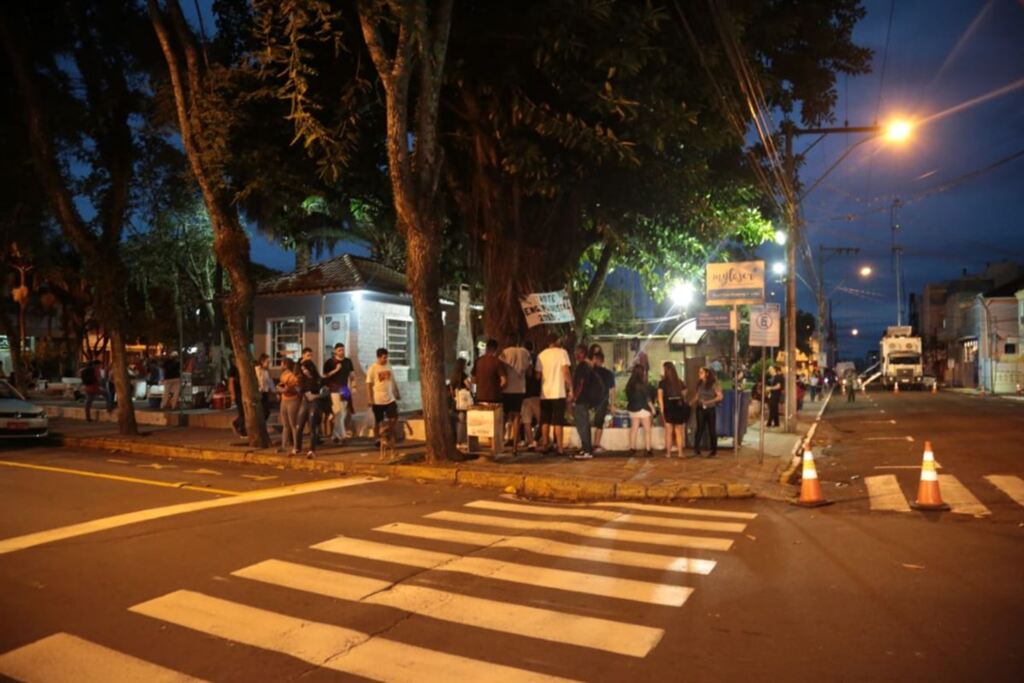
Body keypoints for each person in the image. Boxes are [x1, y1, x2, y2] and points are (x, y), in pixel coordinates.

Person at [536, 334, 573, 456]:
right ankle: (560, 448)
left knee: (545, 420)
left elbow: (538, 375)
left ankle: (545, 444)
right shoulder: (562, 353)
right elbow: (566, 371)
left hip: (545, 393)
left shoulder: (541, 355)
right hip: (558, 392)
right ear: (557, 341)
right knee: (558, 421)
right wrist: (570, 387)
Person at [570, 345, 604, 460]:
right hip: (585, 400)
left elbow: (580, 383)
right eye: (576, 352)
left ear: (583, 353)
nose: (576, 355)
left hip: (581, 400)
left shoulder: (582, 366)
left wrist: (574, 398)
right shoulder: (587, 366)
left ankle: (587, 451)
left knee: (582, 425)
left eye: (578, 352)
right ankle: (585, 449)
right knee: (584, 425)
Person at [500, 337, 532, 451]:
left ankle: (501, 442)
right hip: (520, 389)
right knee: (517, 416)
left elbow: (501, 368)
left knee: (503, 417)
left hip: (507, 389)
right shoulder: (525, 352)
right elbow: (529, 372)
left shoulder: (505, 352)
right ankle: (515, 445)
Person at [367, 347, 401, 447]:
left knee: (394, 417)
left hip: (390, 398)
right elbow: (368, 384)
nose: (385, 359)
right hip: (378, 399)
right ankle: (377, 438)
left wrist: (397, 391)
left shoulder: (388, 366)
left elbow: (393, 380)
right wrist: (370, 398)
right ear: (378, 357)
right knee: (378, 421)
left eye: (386, 357)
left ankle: (388, 433)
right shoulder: (373, 368)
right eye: (383, 357)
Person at [322, 343, 355, 445]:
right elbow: (325, 375)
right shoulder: (329, 362)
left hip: (345, 388)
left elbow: (352, 375)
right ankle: (343, 436)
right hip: (334, 389)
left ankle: (335, 435)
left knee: (343, 413)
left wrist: (354, 386)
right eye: (339, 350)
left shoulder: (348, 361)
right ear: (335, 351)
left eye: (343, 350)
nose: (341, 352)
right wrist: (335, 370)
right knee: (338, 412)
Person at [658, 361, 689, 458]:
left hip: (669, 406)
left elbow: (660, 397)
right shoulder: (679, 381)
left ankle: (668, 453)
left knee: (668, 431)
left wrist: (662, 410)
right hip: (679, 406)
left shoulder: (662, 383)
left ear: (666, 370)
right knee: (679, 431)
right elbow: (685, 392)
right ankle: (680, 453)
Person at [692, 367, 723, 457]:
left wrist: (708, 402)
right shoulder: (700, 383)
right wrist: (690, 403)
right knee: (700, 429)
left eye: (701, 372)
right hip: (700, 408)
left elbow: (720, 396)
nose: (699, 374)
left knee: (711, 429)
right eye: (699, 372)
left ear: (707, 374)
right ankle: (696, 449)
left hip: (710, 408)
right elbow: (697, 396)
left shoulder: (714, 384)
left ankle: (714, 450)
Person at [625, 364, 654, 456]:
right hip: (643, 409)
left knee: (634, 429)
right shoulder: (642, 384)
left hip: (632, 409)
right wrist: (653, 409)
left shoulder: (629, 385)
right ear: (642, 373)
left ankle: (632, 448)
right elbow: (647, 398)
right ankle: (648, 449)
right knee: (647, 430)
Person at [591, 350, 615, 454]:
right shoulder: (608, 373)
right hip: (602, 401)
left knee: (587, 424)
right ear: (603, 361)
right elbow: (612, 390)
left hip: (588, 401)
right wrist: (613, 404)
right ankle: (596, 445)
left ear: (594, 360)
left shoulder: (589, 372)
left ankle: (587, 445)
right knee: (599, 424)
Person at [520, 340, 542, 449]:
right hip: (537, 393)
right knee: (541, 420)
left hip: (525, 393)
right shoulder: (538, 357)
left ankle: (531, 441)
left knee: (526, 421)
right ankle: (538, 439)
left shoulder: (523, 358)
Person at [472, 339, 507, 404]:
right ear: (496, 349)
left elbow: (473, 380)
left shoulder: (478, 361)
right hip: (494, 397)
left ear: (486, 348)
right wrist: (499, 389)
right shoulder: (497, 362)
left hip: (480, 396)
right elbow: (504, 381)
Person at [277, 359, 301, 454]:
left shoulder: (293, 376)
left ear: (286, 364)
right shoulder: (283, 374)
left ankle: (296, 446)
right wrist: (279, 388)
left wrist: (287, 389)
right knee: (285, 425)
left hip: (292, 400)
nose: (281, 365)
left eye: (282, 363)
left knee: (293, 424)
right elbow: (282, 385)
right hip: (284, 400)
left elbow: (295, 388)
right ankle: (284, 446)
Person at [449, 358, 472, 445]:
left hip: (455, 401)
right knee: (462, 421)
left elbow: (451, 389)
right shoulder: (463, 375)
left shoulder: (453, 375)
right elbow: (468, 386)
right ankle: (461, 441)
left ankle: (455, 440)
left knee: (455, 421)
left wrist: (454, 397)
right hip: (463, 402)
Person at [227, 357, 247, 438]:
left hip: (242, 393)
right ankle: (241, 429)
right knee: (242, 412)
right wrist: (233, 394)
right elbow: (231, 382)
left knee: (244, 412)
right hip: (238, 393)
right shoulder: (233, 370)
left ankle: (238, 425)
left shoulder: (241, 369)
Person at [256, 353, 274, 421]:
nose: (268, 364)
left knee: (266, 411)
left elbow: (270, 382)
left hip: (264, 393)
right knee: (261, 411)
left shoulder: (266, 371)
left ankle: (262, 425)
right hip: (258, 393)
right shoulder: (256, 370)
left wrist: (274, 391)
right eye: (267, 362)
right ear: (262, 361)